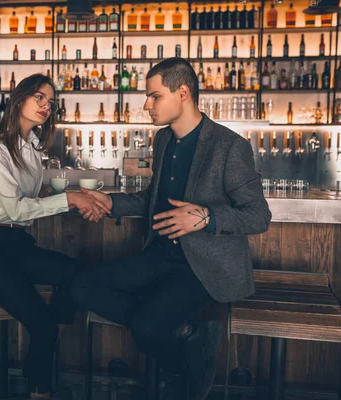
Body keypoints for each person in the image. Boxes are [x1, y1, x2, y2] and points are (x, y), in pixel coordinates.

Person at [72, 58, 272, 400]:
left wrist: (206, 217)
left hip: (203, 268)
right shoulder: (164, 140)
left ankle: (180, 371)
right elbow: (153, 198)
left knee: (147, 324)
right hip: (159, 256)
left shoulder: (229, 146)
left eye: (153, 96)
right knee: (80, 287)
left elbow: (258, 216)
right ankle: (184, 332)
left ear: (183, 93)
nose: (146, 106)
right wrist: (111, 203)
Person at [0, 73, 109, 399]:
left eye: (51, 102)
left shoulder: (31, 148)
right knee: (43, 326)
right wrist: (70, 198)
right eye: (40, 97)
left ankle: (47, 337)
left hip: (16, 246)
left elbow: (32, 197)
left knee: (76, 273)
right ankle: (40, 383)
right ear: (20, 98)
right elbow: (14, 210)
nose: (46, 106)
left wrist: (75, 197)